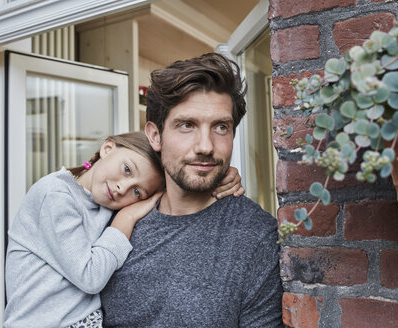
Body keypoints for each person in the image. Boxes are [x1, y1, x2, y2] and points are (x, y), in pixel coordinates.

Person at [101, 53, 284, 327]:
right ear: (155, 135)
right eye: (187, 125)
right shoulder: (112, 218)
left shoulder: (257, 238)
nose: (205, 146)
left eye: (221, 127)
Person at [3, 131, 244, 328]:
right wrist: (127, 217)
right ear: (108, 149)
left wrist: (221, 176)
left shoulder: (104, 204)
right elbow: (90, 277)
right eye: (127, 169)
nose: (123, 187)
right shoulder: (55, 195)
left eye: (137, 192)